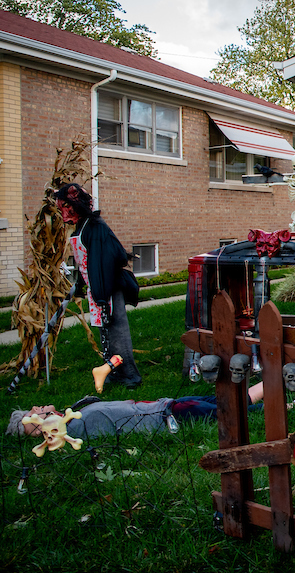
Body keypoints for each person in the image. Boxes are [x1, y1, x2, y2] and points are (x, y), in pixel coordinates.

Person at [53, 183, 142, 389]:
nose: (64, 214)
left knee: (117, 333)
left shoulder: (96, 227)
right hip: (97, 289)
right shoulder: (83, 227)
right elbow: (87, 261)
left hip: (107, 289)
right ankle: (113, 371)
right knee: (107, 334)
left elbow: (108, 259)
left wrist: (101, 295)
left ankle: (130, 375)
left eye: (68, 208)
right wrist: (83, 282)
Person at [7, 384, 268, 441]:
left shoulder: (73, 417)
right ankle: (281, 395)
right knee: (232, 409)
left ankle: (280, 392)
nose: (38, 408)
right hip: (170, 415)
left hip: (168, 402)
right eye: (35, 413)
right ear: (38, 428)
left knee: (229, 399)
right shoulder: (75, 429)